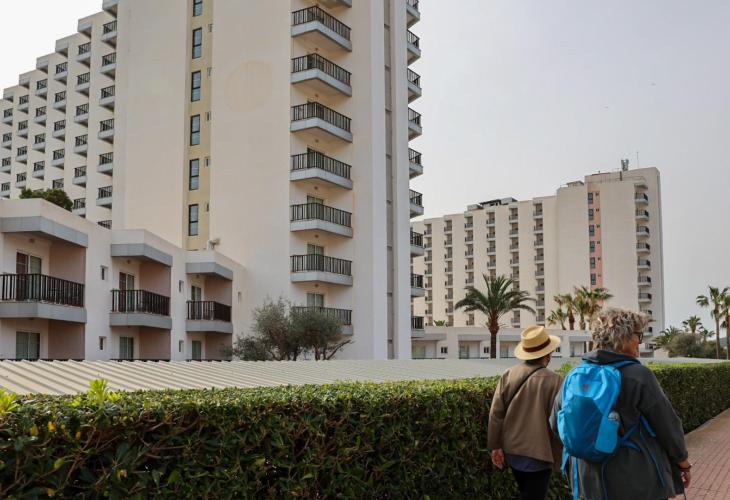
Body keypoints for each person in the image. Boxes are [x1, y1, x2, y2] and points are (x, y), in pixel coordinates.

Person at [550, 308, 691, 499]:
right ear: (624, 337)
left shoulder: (574, 376)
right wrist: (683, 463)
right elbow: (668, 427)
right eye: (638, 335)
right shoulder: (639, 376)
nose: (639, 342)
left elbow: (555, 423)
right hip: (636, 483)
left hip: (587, 484)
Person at [488, 325, 564, 500]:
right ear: (547, 354)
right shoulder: (556, 381)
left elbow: (496, 414)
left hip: (512, 451)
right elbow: (560, 419)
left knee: (527, 492)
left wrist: (495, 446)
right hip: (540, 453)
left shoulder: (509, 374)